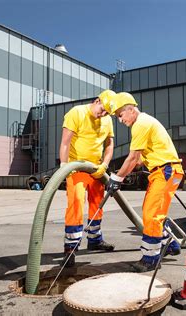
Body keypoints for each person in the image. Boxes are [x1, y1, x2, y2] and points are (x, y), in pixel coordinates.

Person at [107, 92, 184, 272]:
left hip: (165, 171)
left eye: (120, 115)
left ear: (131, 109)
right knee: (156, 212)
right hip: (170, 171)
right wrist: (127, 169)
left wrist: (116, 178)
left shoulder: (140, 124)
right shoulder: (145, 122)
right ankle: (170, 245)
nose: (120, 120)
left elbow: (133, 157)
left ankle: (150, 259)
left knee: (151, 214)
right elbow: (139, 160)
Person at [59, 89, 116, 267]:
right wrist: (64, 165)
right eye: (102, 109)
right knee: (75, 203)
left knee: (97, 205)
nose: (103, 114)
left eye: (107, 112)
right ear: (97, 100)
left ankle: (95, 240)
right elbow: (65, 142)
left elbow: (109, 144)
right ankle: (71, 248)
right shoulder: (77, 113)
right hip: (76, 168)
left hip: (96, 170)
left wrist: (104, 165)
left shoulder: (107, 120)